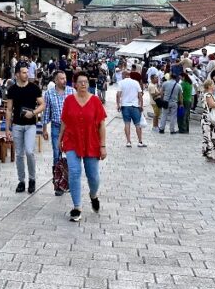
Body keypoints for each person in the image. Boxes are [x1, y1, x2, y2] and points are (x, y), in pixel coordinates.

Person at [59, 73, 106, 222]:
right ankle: (77, 207)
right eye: (80, 82)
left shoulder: (95, 101)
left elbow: (101, 125)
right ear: (75, 85)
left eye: (86, 82)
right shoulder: (69, 100)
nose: (83, 85)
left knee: (93, 176)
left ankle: (93, 195)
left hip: (91, 141)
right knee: (74, 171)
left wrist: (103, 145)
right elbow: (64, 121)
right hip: (72, 140)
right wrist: (59, 139)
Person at [5, 62, 44, 193]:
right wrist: (7, 129)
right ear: (17, 74)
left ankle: (32, 179)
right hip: (17, 125)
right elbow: (9, 109)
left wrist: (33, 112)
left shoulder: (34, 88)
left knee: (29, 152)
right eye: (23, 72)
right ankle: (21, 181)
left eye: (27, 72)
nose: (26, 74)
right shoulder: (12, 90)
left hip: (30, 125)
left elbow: (42, 105)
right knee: (19, 154)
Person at [42, 71, 74, 196]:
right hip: (56, 126)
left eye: (65, 78)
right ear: (55, 80)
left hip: (70, 128)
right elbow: (46, 112)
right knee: (57, 154)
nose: (64, 80)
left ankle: (70, 182)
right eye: (61, 79)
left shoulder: (71, 92)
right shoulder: (49, 93)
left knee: (70, 155)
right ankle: (58, 184)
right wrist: (44, 129)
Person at [116, 72, 145, 148]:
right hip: (135, 106)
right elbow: (140, 95)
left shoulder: (121, 83)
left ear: (124, 75)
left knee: (127, 124)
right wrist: (141, 105)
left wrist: (118, 105)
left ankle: (128, 142)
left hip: (125, 106)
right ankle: (140, 141)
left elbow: (118, 94)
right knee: (138, 124)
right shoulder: (136, 82)